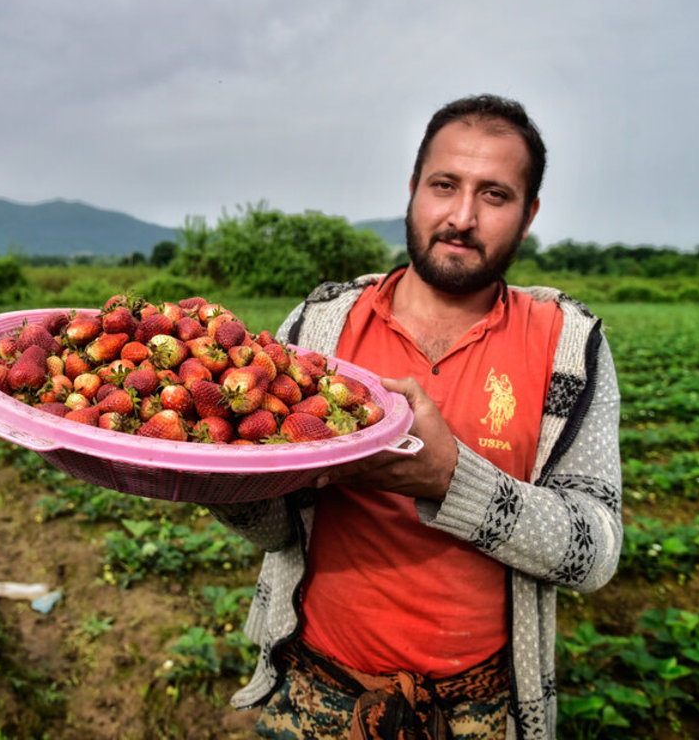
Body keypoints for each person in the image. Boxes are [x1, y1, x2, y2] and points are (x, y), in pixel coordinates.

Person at [211, 94, 623, 740]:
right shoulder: (320, 327)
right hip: (316, 690)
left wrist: (449, 478)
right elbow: (275, 530)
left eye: (494, 195)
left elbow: (594, 552)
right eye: (443, 185)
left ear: (528, 213)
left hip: (479, 710)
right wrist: (221, 481)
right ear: (411, 191)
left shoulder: (566, 345)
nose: (461, 216)